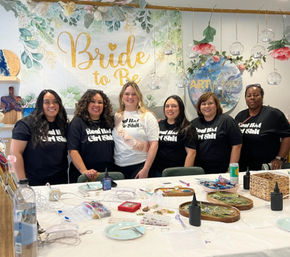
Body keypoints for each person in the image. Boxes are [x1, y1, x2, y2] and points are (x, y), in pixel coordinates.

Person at [10, 89, 68, 186]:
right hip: (34, 183)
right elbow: (15, 153)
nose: (52, 105)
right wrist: (23, 183)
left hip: (60, 183)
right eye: (47, 102)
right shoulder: (26, 124)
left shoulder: (63, 125)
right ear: (40, 104)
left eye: (55, 102)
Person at [235, 83, 290, 171]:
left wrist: (279, 158)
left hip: (265, 167)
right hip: (243, 167)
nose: (252, 97)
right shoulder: (240, 116)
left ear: (262, 96)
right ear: (245, 98)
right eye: (249, 95)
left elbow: (287, 136)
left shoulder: (273, 114)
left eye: (256, 95)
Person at [113, 81, 159, 179]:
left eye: (134, 94)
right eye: (127, 94)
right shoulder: (116, 116)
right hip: (117, 168)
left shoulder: (147, 116)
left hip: (139, 167)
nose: (130, 97)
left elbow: (154, 145)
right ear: (122, 97)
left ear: (139, 97)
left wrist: (146, 169)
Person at [67, 89, 114, 183]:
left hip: (106, 174)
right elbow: (73, 150)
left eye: (100, 102)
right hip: (83, 175)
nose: (96, 105)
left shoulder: (109, 122)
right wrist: (85, 172)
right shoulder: (77, 122)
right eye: (92, 101)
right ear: (86, 104)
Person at [191, 92, 242, 174]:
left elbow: (237, 146)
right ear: (199, 107)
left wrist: (231, 171)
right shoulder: (193, 124)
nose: (207, 106)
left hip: (222, 171)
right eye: (203, 104)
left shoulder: (227, 121)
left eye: (210, 103)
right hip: (199, 171)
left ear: (216, 105)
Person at [150, 95, 197, 177]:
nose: (170, 109)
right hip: (157, 172)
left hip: (177, 173)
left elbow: (191, 153)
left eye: (174, 106)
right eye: (167, 106)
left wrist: (185, 175)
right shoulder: (158, 125)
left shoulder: (188, 127)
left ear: (180, 108)